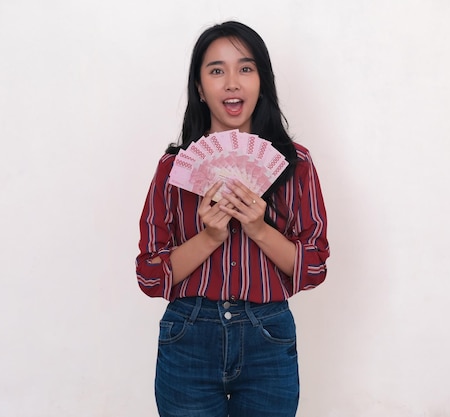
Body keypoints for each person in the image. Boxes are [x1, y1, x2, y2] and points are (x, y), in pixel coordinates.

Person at [136, 21, 330, 417]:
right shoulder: (174, 169)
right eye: (216, 70)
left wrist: (258, 228)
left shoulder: (296, 164)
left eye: (245, 68)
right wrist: (208, 237)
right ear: (200, 88)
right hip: (188, 333)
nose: (231, 83)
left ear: (262, 81)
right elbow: (150, 275)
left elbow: (314, 267)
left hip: (268, 335)